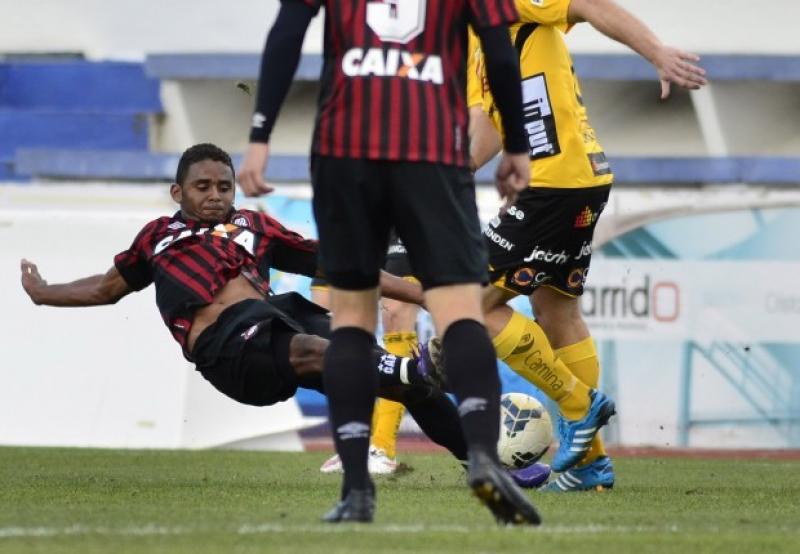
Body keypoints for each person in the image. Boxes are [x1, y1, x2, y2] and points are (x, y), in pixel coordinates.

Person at [18, 143, 476, 491]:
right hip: (225, 347)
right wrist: (43, 293)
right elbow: (103, 288)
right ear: (178, 192)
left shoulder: (255, 227)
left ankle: (482, 461)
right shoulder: (157, 236)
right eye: (203, 187)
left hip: (274, 319)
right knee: (315, 347)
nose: (215, 196)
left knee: (403, 385)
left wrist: (423, 296)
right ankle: (418, 364)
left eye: (224, 186)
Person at [238, 0, 541, 525]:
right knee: (461, 312)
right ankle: (484, 460)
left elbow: (287, 30)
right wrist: (516, 144)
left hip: (343, 154)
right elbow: (499, 45)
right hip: (432, 154)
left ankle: (357, 489)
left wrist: (260, 137)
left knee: (351, 319)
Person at [463, 0, 707, 491]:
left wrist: (656, 52)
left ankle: (579, 405)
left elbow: (591, 5)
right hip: (576, 179)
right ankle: (590, 465)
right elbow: (488, 124)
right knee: (557, 313)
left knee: (468, 304)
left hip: (554, 181)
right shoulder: (472, 36)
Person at [316, 233, 419, 476]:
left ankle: (382, 448)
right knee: (328, 321)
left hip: (406, 217)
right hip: (359, 221)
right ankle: (358, 442)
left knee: (395, 313)